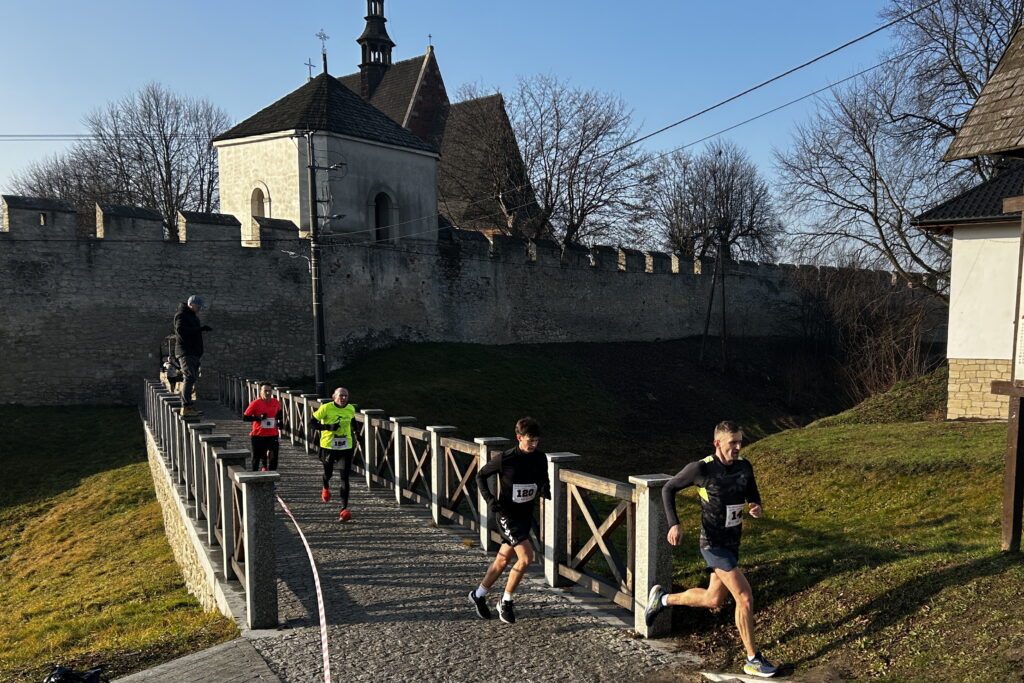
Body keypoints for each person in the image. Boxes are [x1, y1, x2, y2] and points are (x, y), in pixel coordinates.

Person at [644, 420, 777, 678]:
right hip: (713, 544)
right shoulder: (701, 469)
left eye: (740, 441)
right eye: (732, 443)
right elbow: (669, 488)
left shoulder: (744, 467)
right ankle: (752, 659)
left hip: (732, 542)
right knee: (745, 596)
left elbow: (752, 491)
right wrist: (674, 524)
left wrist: (756, 505)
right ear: (717, 443)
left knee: (713, 599)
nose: (738, 447)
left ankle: (662, 600)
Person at [468, 417, 550, 625]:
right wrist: (490, 500)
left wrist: (545, 488)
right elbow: (480, 476)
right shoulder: (505, 458)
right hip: (507, 515)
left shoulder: (540, 458)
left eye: (536, 440)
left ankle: (478, 594)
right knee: (526, 558)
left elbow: (543, 476)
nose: (533, 444)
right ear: (519, 437)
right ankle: (506, 602)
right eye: (530, 440)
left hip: (525, 515)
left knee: (503, 559)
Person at [312, 387, 356, 522]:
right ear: (333, 396)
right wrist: (328, 427)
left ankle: (344, 509)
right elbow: (311, 424)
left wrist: (358, 435)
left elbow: (353, 422)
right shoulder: (326, 408)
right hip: (328, 447)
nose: (343, 398)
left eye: (346, 396)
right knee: (328, 474)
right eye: (341, 395)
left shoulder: (351, 409)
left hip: (346, 447)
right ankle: (325, 487)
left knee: (345, 477)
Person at [173, 294, 212, 417]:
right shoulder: (181, 315)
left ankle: (189, 406)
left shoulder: (193, 317)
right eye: (198, 306)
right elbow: (181, 331)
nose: (200, 309)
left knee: (192, 377)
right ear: (191, 304)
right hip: (186, 352)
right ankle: (186, 407)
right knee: (189, 377)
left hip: (194, 353)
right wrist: (199, 330)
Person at [243, 382, 286, 471]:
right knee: (256, 458)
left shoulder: (276, 402)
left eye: (269, 391)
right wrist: (258, 418)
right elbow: (245, 417)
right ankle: (255, 478)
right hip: (258, 434)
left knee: (273, 456)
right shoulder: (255, 403)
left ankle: (271, 478)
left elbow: (279, 414)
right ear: (260, 391)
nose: (268, 393)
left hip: (272, 434)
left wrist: (280, 423)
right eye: (265, 391)